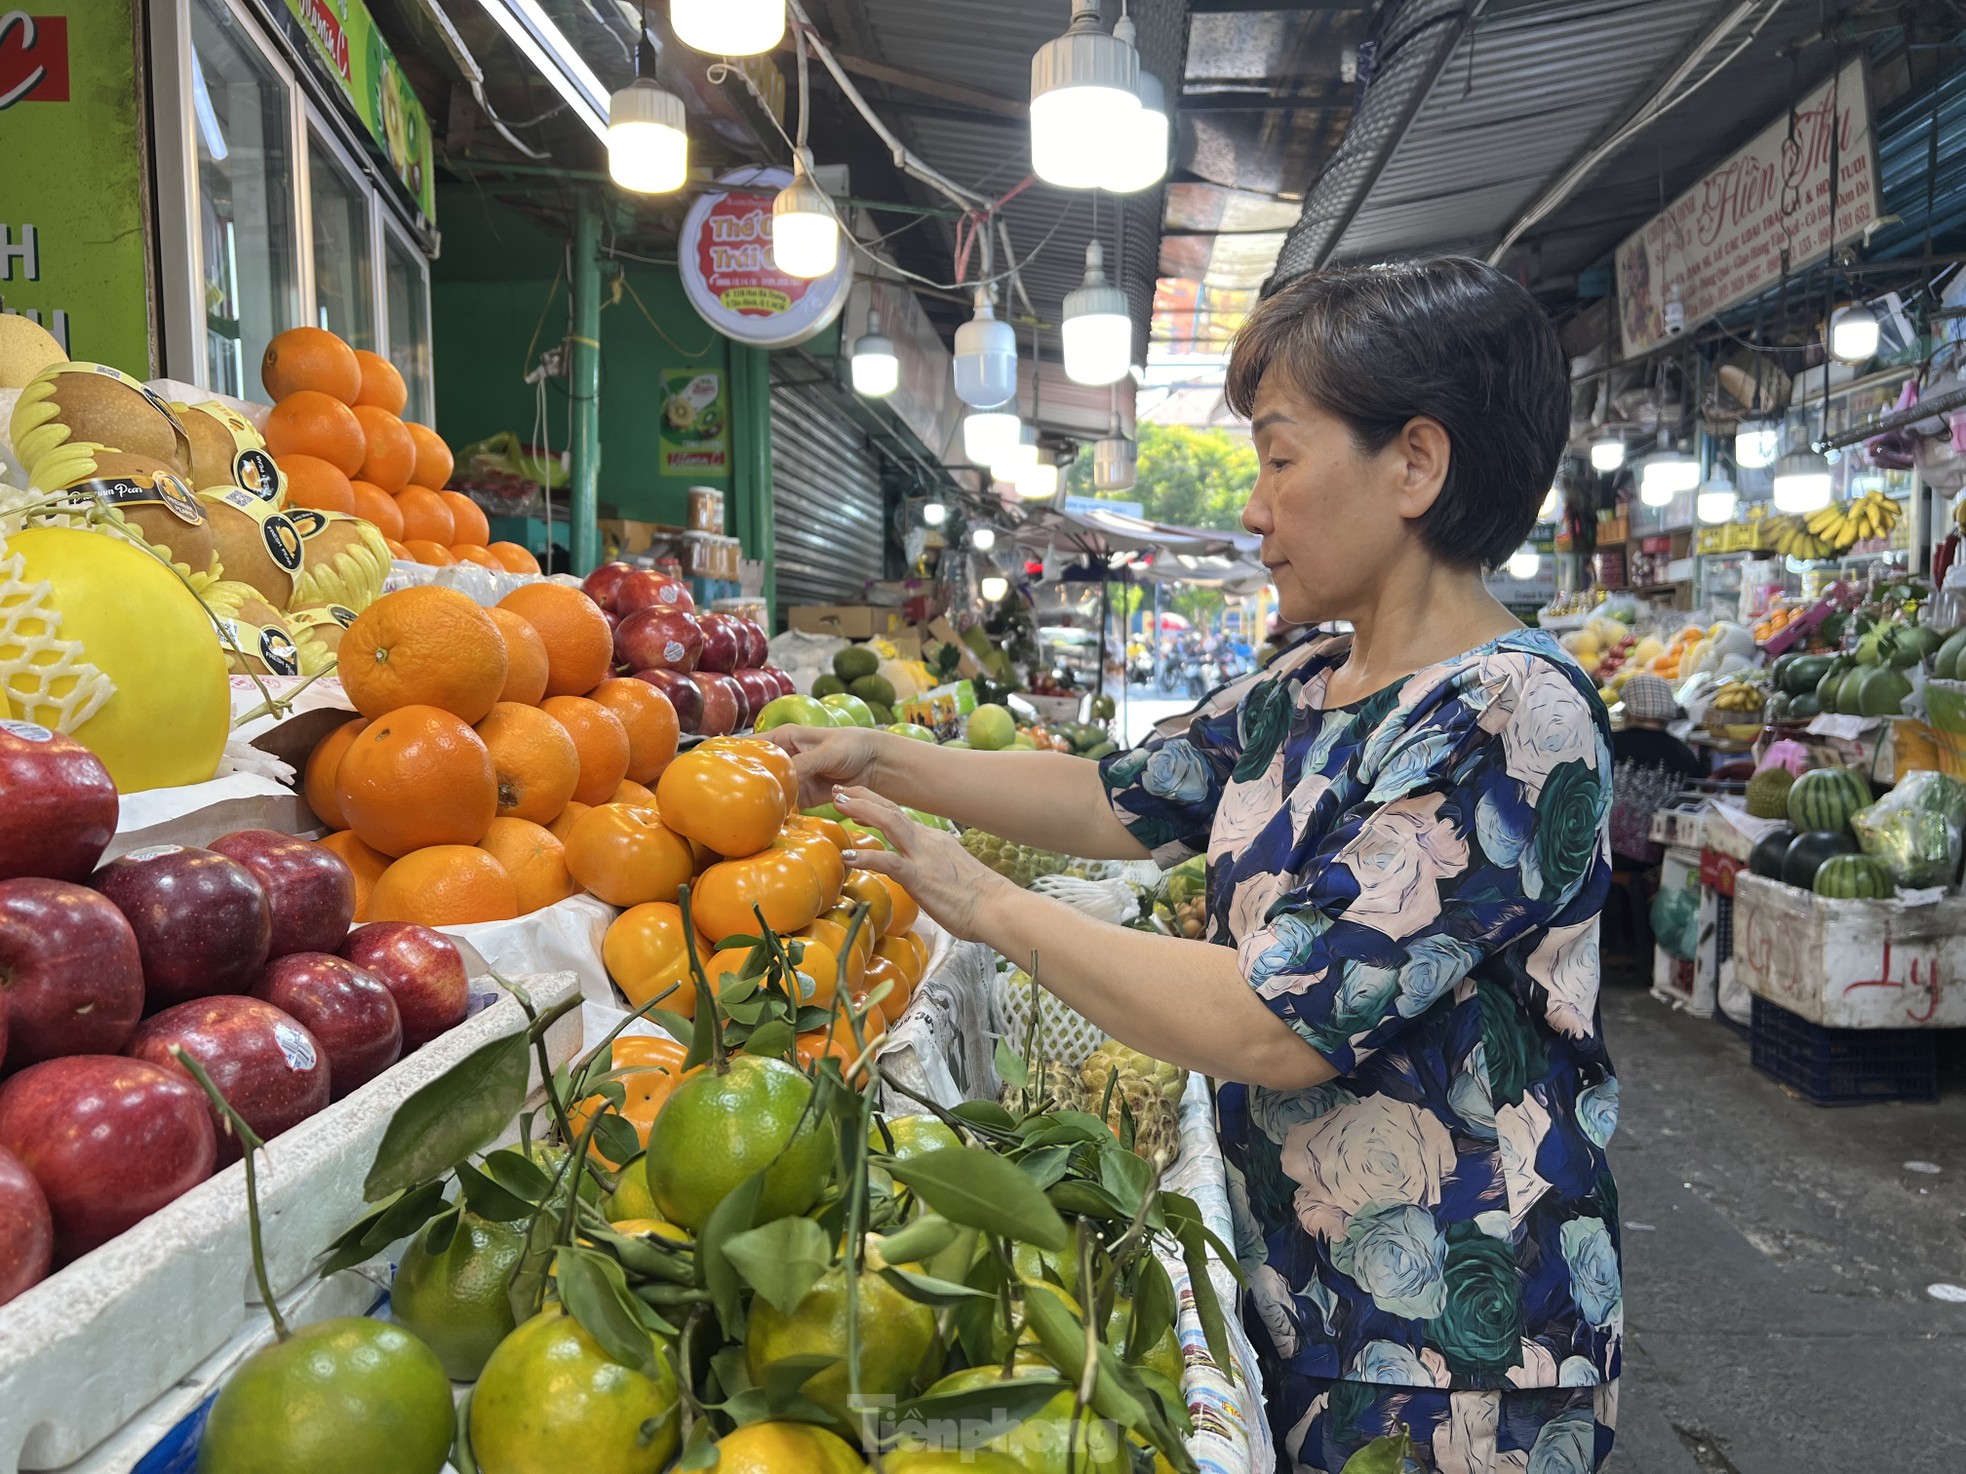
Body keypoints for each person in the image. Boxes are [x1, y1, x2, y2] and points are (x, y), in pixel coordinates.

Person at [771, 257, 1621, 1473]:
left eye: (1278, 457)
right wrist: (879, 756)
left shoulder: (1508, 715)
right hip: (1299, 1292)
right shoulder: (1306, 686)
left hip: (1452, 1352)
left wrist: (980, 900)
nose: (1256, 509)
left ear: (1415, 465)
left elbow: (1276, 1021)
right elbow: (1111, 797)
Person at [1608, 673, 1706, 870]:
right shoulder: (1684, 754)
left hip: (1604, 855)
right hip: (1658, 862)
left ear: (1629, 711)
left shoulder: (1608, 744)